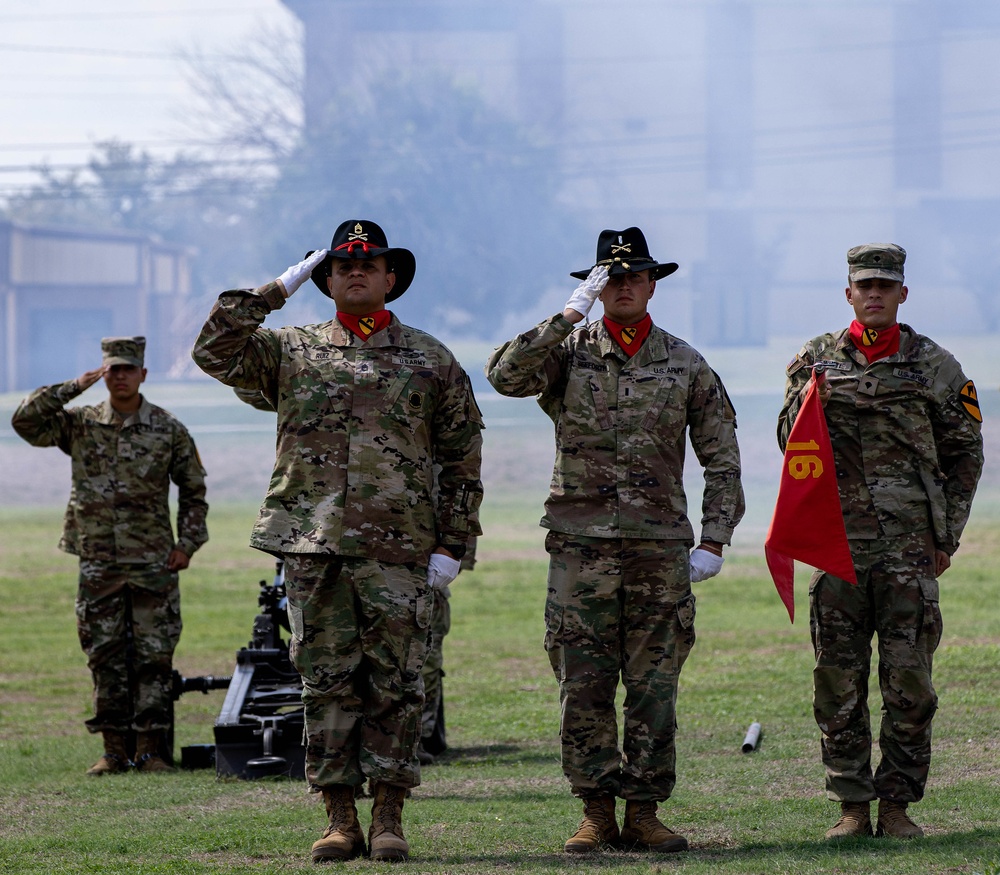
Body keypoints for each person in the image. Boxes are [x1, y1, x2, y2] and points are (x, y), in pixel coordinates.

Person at [191, 219, 483, 864]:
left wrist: (453, 543)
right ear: (324, 280)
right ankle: (339, 820)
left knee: (398, 684)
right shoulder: (288, 350)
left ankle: (388, 818)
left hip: (401, 549)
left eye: (370, 263)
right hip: (314, 543)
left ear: (391, 279)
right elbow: (212, 352)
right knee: (324, 683)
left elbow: (462, 457)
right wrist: (273, 290)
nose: (356, 271)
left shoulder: (430, 359)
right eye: (341, 264)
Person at [485, 227, 745, 855]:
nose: (623, 285)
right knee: (584, 683)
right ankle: (596, 812)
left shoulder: (685, 363)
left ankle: (645, 811)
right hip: (580, 549)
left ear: (653, 284)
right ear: (597, 285)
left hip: (658, 550)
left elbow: (724, 457)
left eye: (634, 276)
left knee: (654, 686)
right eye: (611, 276)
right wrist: (568, 312)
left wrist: (714, 539)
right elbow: (502, 376)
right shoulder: (566, 352)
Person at [777, 243, 984, 840]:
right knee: (837, 684)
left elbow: (965, 453)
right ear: (848, 294)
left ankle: (896, 806)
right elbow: (790, 447)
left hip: (909, 550)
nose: (873, 294)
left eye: (884, 286)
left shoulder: (936, 365)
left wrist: (947, 535)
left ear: (902, 295)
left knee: (909, 683)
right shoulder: (813, 360)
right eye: (864, 285)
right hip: (835, 546)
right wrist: (803, 401)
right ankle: (851, 807)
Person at [11, 336, 209, 775]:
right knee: (104, 655)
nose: (119, 376)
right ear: (102, 373)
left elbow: (194, 492)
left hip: (153, 561)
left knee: (153, 657)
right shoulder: (80, 423)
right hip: (98, 560)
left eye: (127, 368)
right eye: (111, 369)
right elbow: (24, 421)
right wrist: (73, 386)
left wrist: (187, 544)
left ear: (143, 374)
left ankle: (151, 751)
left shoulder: (167, 428)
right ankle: (114, 751)